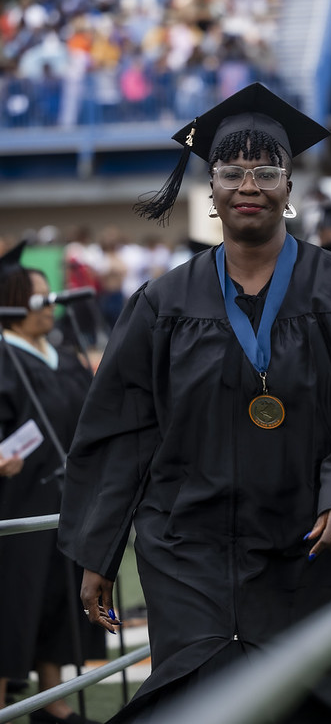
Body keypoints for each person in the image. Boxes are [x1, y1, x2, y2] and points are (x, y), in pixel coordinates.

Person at [58, 83, 331, 724]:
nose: (248, 184)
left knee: (313, 702)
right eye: (231, 172)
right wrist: (98, 550)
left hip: (310, 546)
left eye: (266, 171)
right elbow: (121, 430)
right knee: (205, 700)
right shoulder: (163, 304)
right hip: (191, 550)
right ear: (212, 193)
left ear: (288, 188)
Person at [0, 242, 105, 724]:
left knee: (59, 596)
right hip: (16, 501)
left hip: (67, 496)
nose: (51, 306)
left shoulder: (60, 352)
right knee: (13, 599)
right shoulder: (5, 357)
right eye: (39, 298)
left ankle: (53, 700)